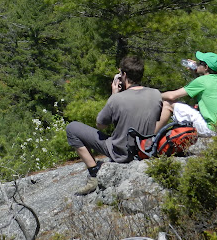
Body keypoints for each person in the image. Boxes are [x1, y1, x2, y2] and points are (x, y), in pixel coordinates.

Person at [65, 56, 163, 196]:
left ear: (124, 75)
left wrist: (114, 95)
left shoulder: (116, 99)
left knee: (72, 128)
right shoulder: (156, 94)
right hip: (145, 150)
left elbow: (101, 125)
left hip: (121, 153)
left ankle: (93, 173)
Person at [157, 51, 217, 136]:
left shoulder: (201, 81)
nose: (197, 64)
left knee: (167, 104)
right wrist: (196, 72)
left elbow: (172, 96)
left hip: (211, 129)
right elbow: (205, 85)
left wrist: (154, 94)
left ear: (206, 67)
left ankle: (150, 137)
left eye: (200, 63)